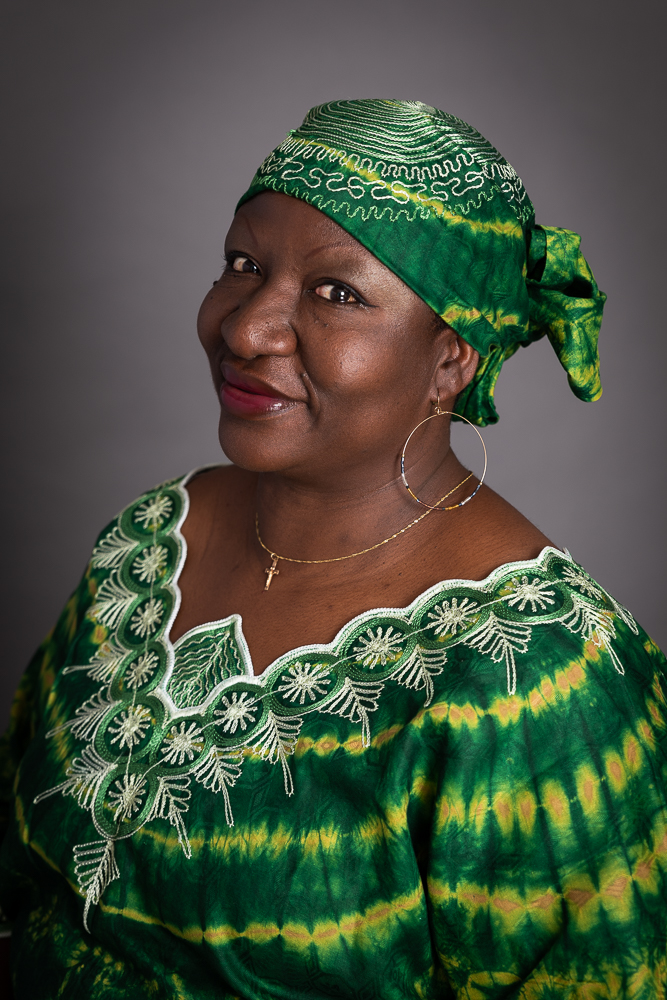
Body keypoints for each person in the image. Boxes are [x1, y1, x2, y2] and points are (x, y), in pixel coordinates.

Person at [0, 99, 664, 999]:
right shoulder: (152, 540)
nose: (244, 329)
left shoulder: (536, 674)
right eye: (243, 266)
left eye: (336, 293)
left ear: (451, 360)